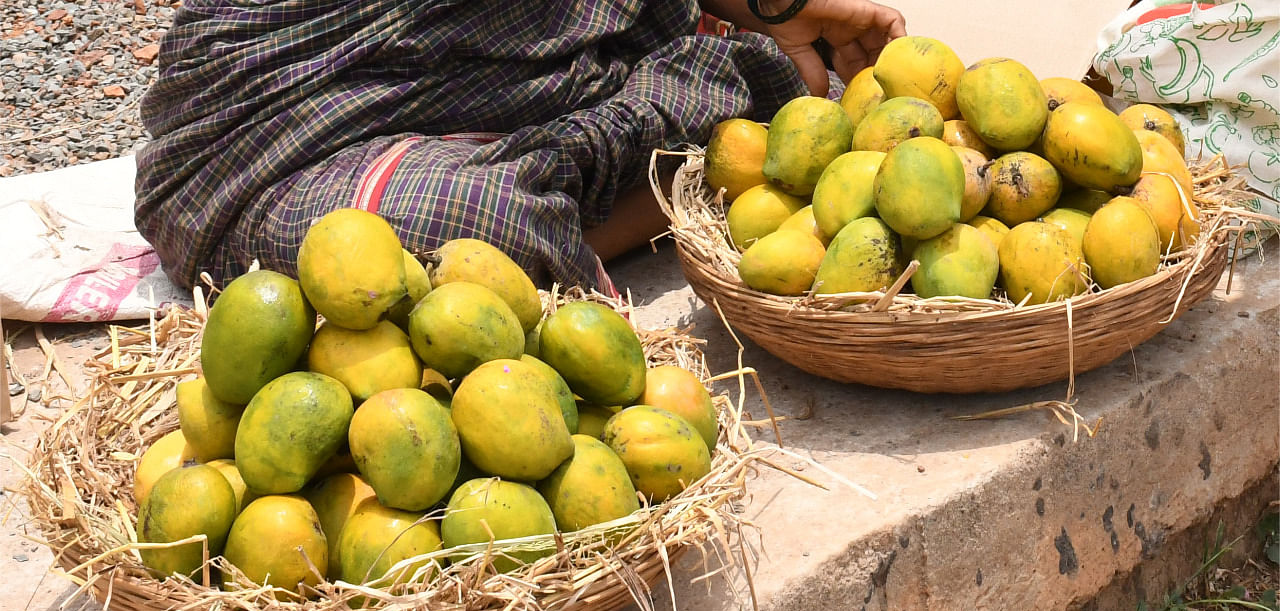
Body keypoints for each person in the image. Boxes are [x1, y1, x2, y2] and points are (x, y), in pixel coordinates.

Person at [134, 0, 906, 293]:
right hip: (260, 122)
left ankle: (635, 190)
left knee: (751, 93)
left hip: (491, 72)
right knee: (474, 225)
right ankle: (644, 206)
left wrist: (785, 11)